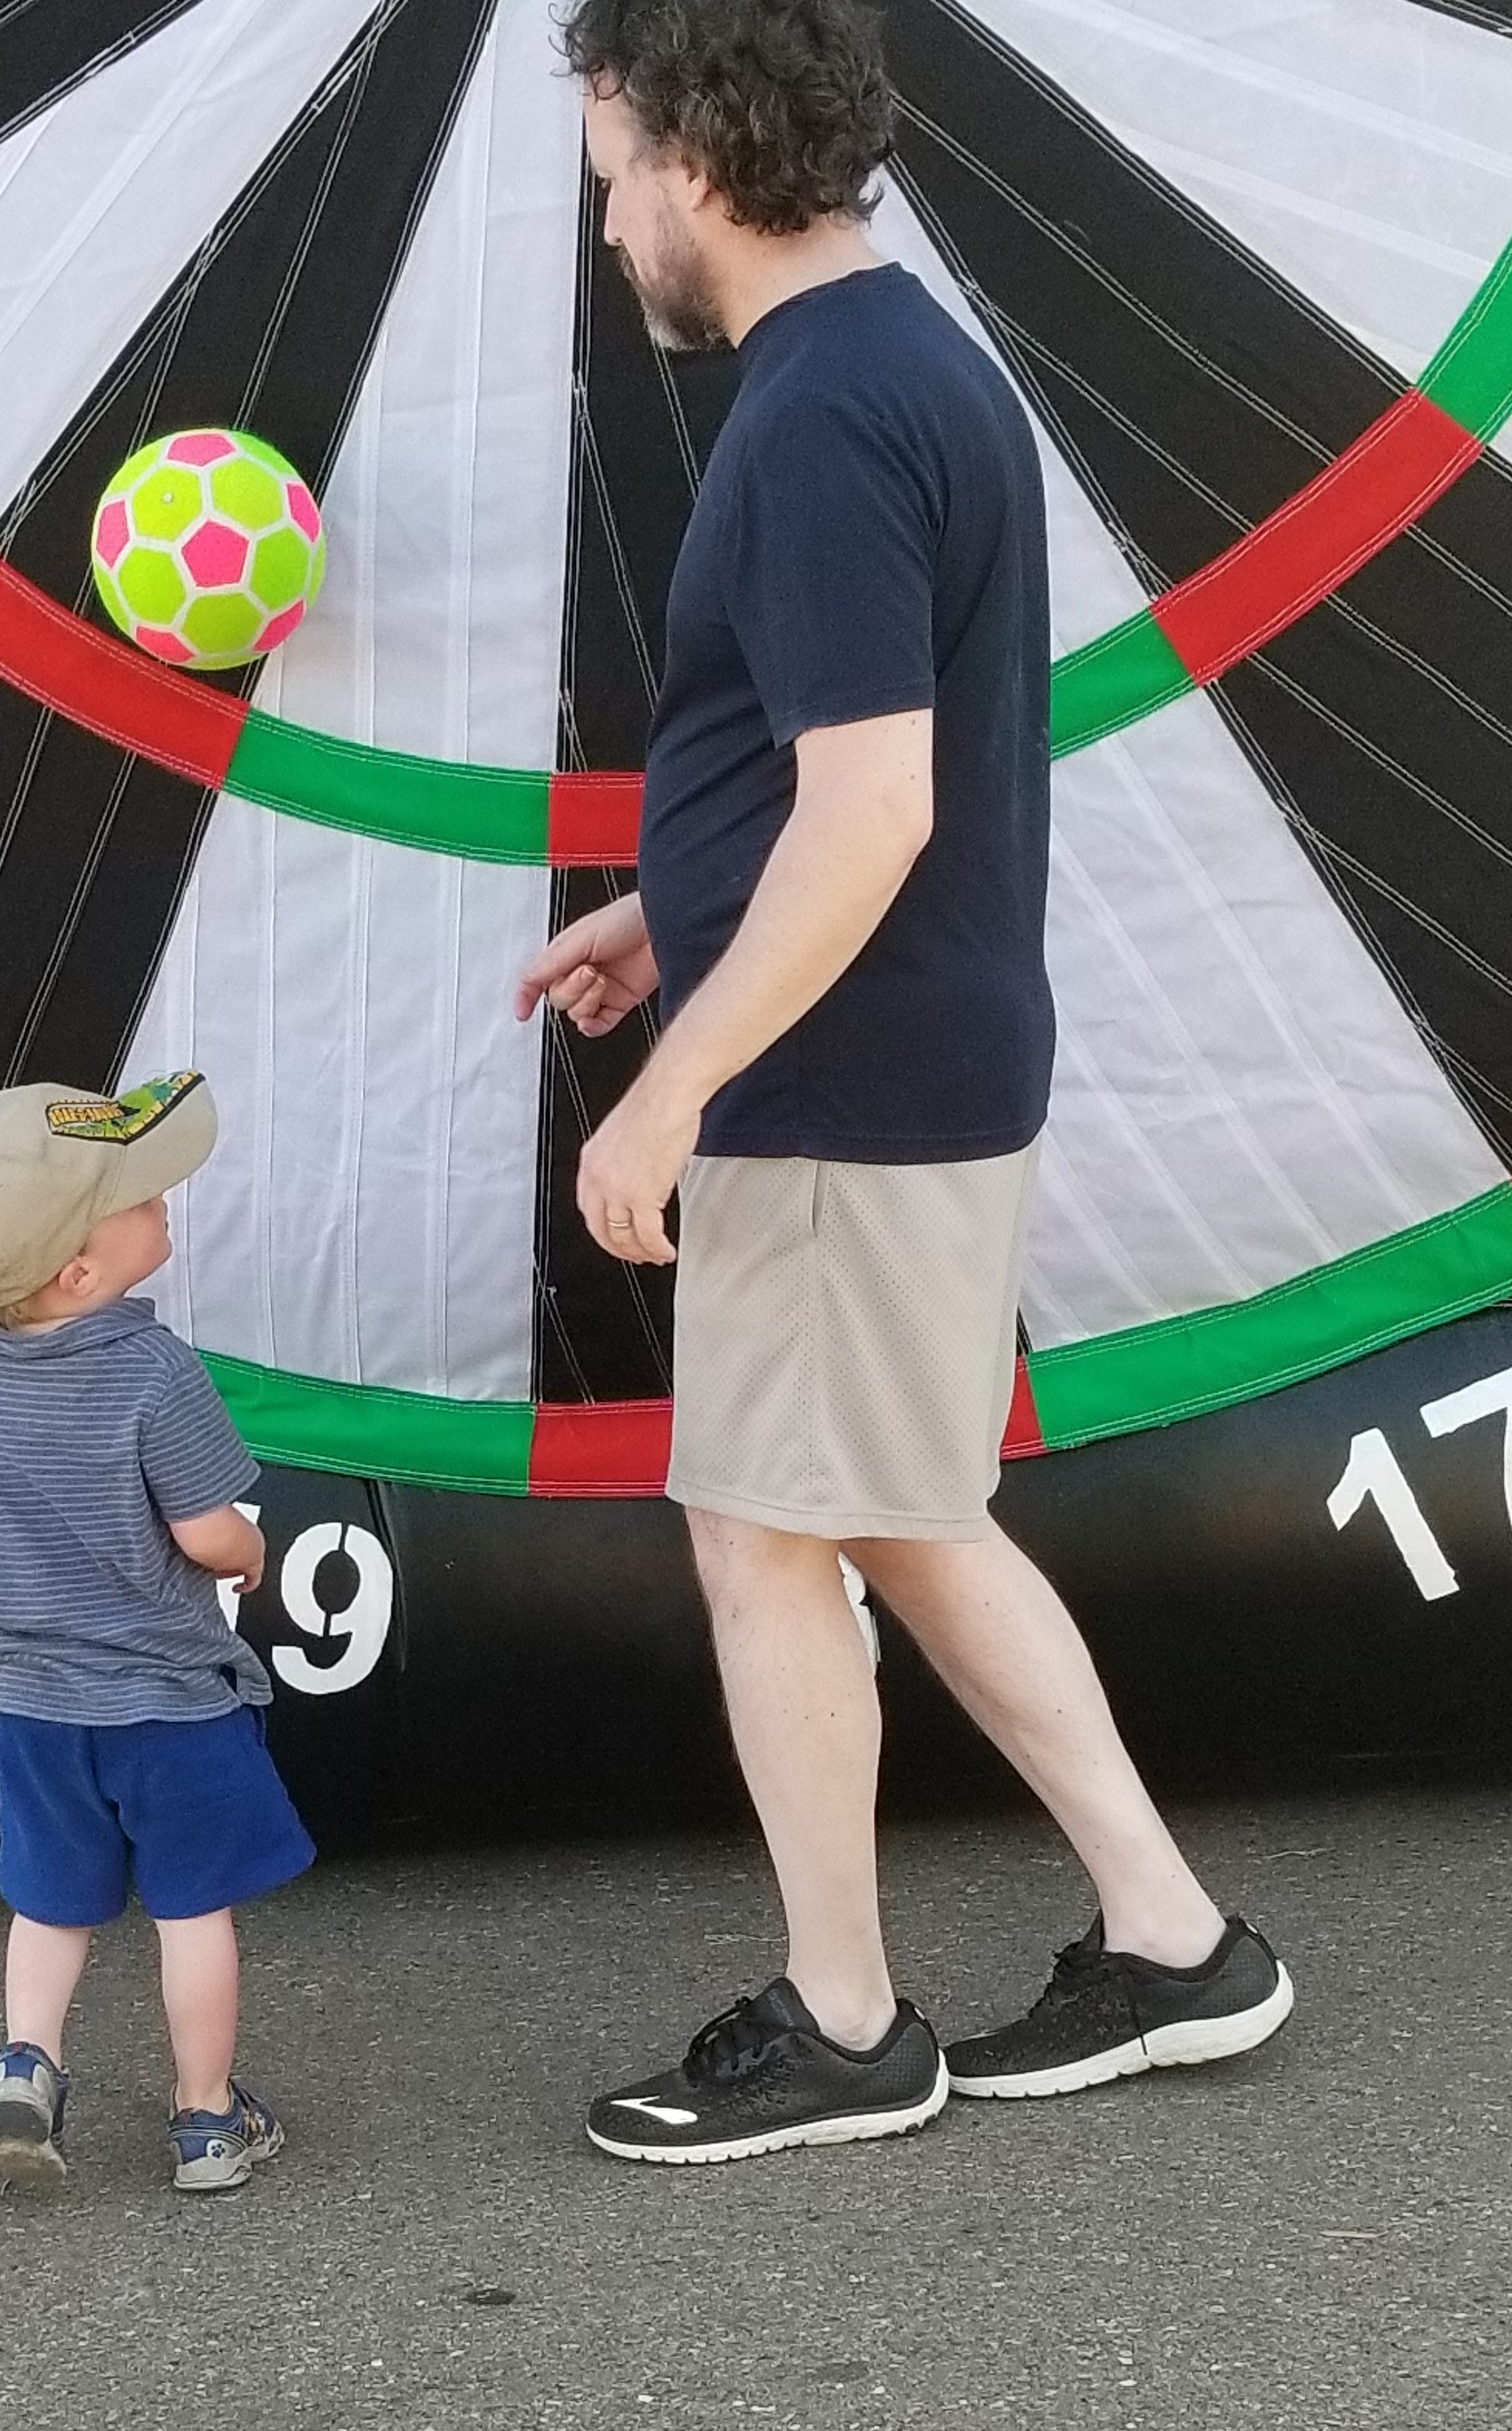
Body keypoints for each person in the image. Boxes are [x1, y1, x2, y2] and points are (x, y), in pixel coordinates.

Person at [521, 0, 1290, 2167]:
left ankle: (854, 2025)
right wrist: (665, 920)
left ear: (691, 151)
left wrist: (678, 1085)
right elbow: (836, 769)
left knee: (767, 1541)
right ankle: (1174, 1939)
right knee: (908, 1518)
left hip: (842, 1098)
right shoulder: (899, 361)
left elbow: (873, 815)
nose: (605, 229)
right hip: (909, 1062)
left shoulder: (828, 417)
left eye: (604, 174)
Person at [0, 1074, 313, 2194]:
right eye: (138, 1195)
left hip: (27, 1701)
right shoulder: (151, 1372)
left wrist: (14, 1560)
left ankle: (28, 2063)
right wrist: (250, 1557)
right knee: (191, 1912)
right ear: (80, 1272)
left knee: (50, 1901)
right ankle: (207, 2121)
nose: (162, 1196)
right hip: (168, 1700)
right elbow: (205, 1530)